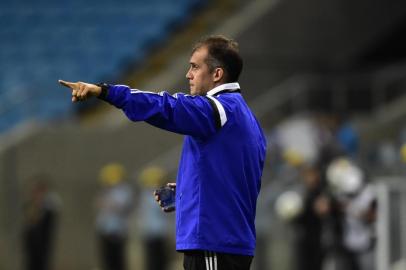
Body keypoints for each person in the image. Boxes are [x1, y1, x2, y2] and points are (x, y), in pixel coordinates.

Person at [59, 35, 267, 270]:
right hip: (227, 241)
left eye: (195, 67)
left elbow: (165, 106)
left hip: (214, 242)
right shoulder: (247, 118)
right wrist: (189, 190)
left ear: (217, 74)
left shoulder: (219, 109)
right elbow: (237, 180)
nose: (188, 74)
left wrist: (105, 92)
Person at [95, 163, 134, 270]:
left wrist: (107, 203)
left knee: (117, 260)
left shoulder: (124, 191)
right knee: (106, 260)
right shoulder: (106, 191)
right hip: (104, 229)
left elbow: (118, 206)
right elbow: (99, 204)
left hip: (117, 230)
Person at [22, 176, 60, 270]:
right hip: (31, 243)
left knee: (42, 264)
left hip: (43, 243)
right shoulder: (31, 205)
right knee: (31, 263)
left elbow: (47, 223)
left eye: (38, 192)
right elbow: (29, 222)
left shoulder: (49, 208)